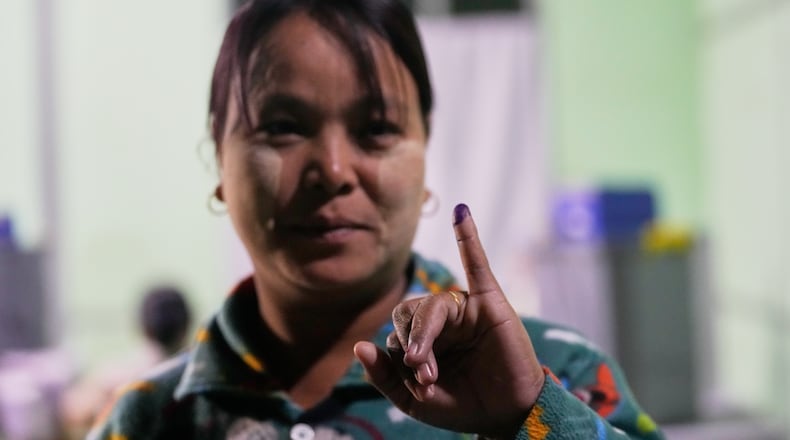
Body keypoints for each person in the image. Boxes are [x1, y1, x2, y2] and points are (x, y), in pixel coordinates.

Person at [89, 1, 664, 438]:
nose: (334, 170)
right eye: (284, 126)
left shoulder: (558, 372)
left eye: (377, 130)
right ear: (220, 158)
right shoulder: (148, 419)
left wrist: (530, 417)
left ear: (424, 156)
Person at [60, 286, 191, 439]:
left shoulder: (116, 379)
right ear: (186, 326)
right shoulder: (201, 376)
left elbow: (73, 412)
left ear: (143, 327)